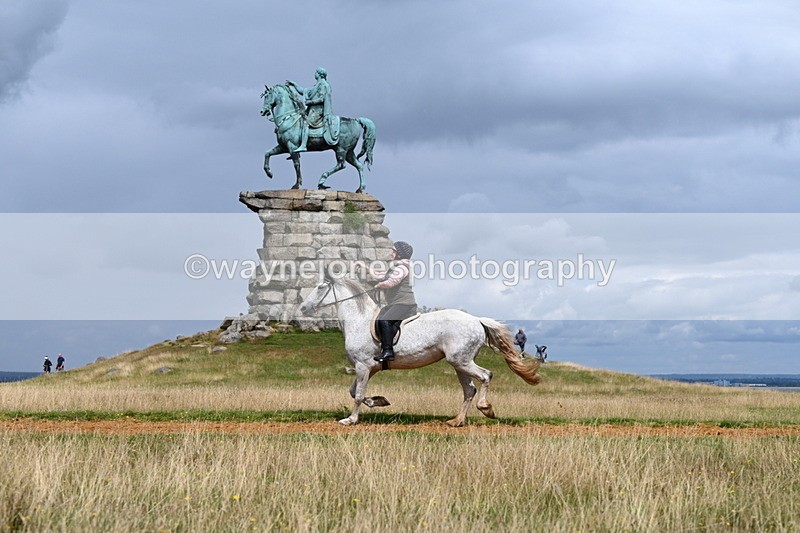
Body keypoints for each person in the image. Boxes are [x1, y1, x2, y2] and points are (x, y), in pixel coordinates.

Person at [356, 241, 417, 363]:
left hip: (404, 304)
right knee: (378, 319)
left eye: (394, 251)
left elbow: (392, 282)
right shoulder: (396, 267)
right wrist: (365, 268)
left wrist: (380, 285)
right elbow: (380, 275)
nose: (391, 253)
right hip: (396, 303)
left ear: (399, 254)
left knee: (384, 320)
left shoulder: (402, 268)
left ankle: (388, 351)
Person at [285, 67, 338, 152]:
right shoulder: (316, 85)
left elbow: (322, 99)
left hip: (318, 111)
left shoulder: (323, 85)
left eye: (316, 72)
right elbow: (303, 91)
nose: (314, 74)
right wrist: (294, 84)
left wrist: (310, 102)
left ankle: (303, 145)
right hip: (312, 110)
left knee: (305, 122)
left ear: (319, 74)